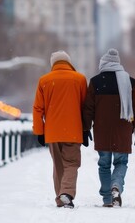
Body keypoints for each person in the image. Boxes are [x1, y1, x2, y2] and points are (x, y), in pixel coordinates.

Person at [82, 48, 135, 207]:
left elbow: (88, 108)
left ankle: (107, 199)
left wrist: (85, 128)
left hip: (102, 130)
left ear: (103, 64)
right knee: (121, 163)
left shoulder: (96, 82)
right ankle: (116, 186)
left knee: (104, 164)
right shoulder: (130, 82)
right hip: (122, 130)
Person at [32, 50, 90, 209]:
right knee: (71, 163)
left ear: (53, 64)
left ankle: (61, 198)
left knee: (58, 166)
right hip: (73, 130)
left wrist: (39, 131)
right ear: (68, 63)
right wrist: (85, 129)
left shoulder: (44, 81)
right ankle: (66, 194)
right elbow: (85, 107)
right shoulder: (79, 79)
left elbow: (38, 108)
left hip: (52, 132)